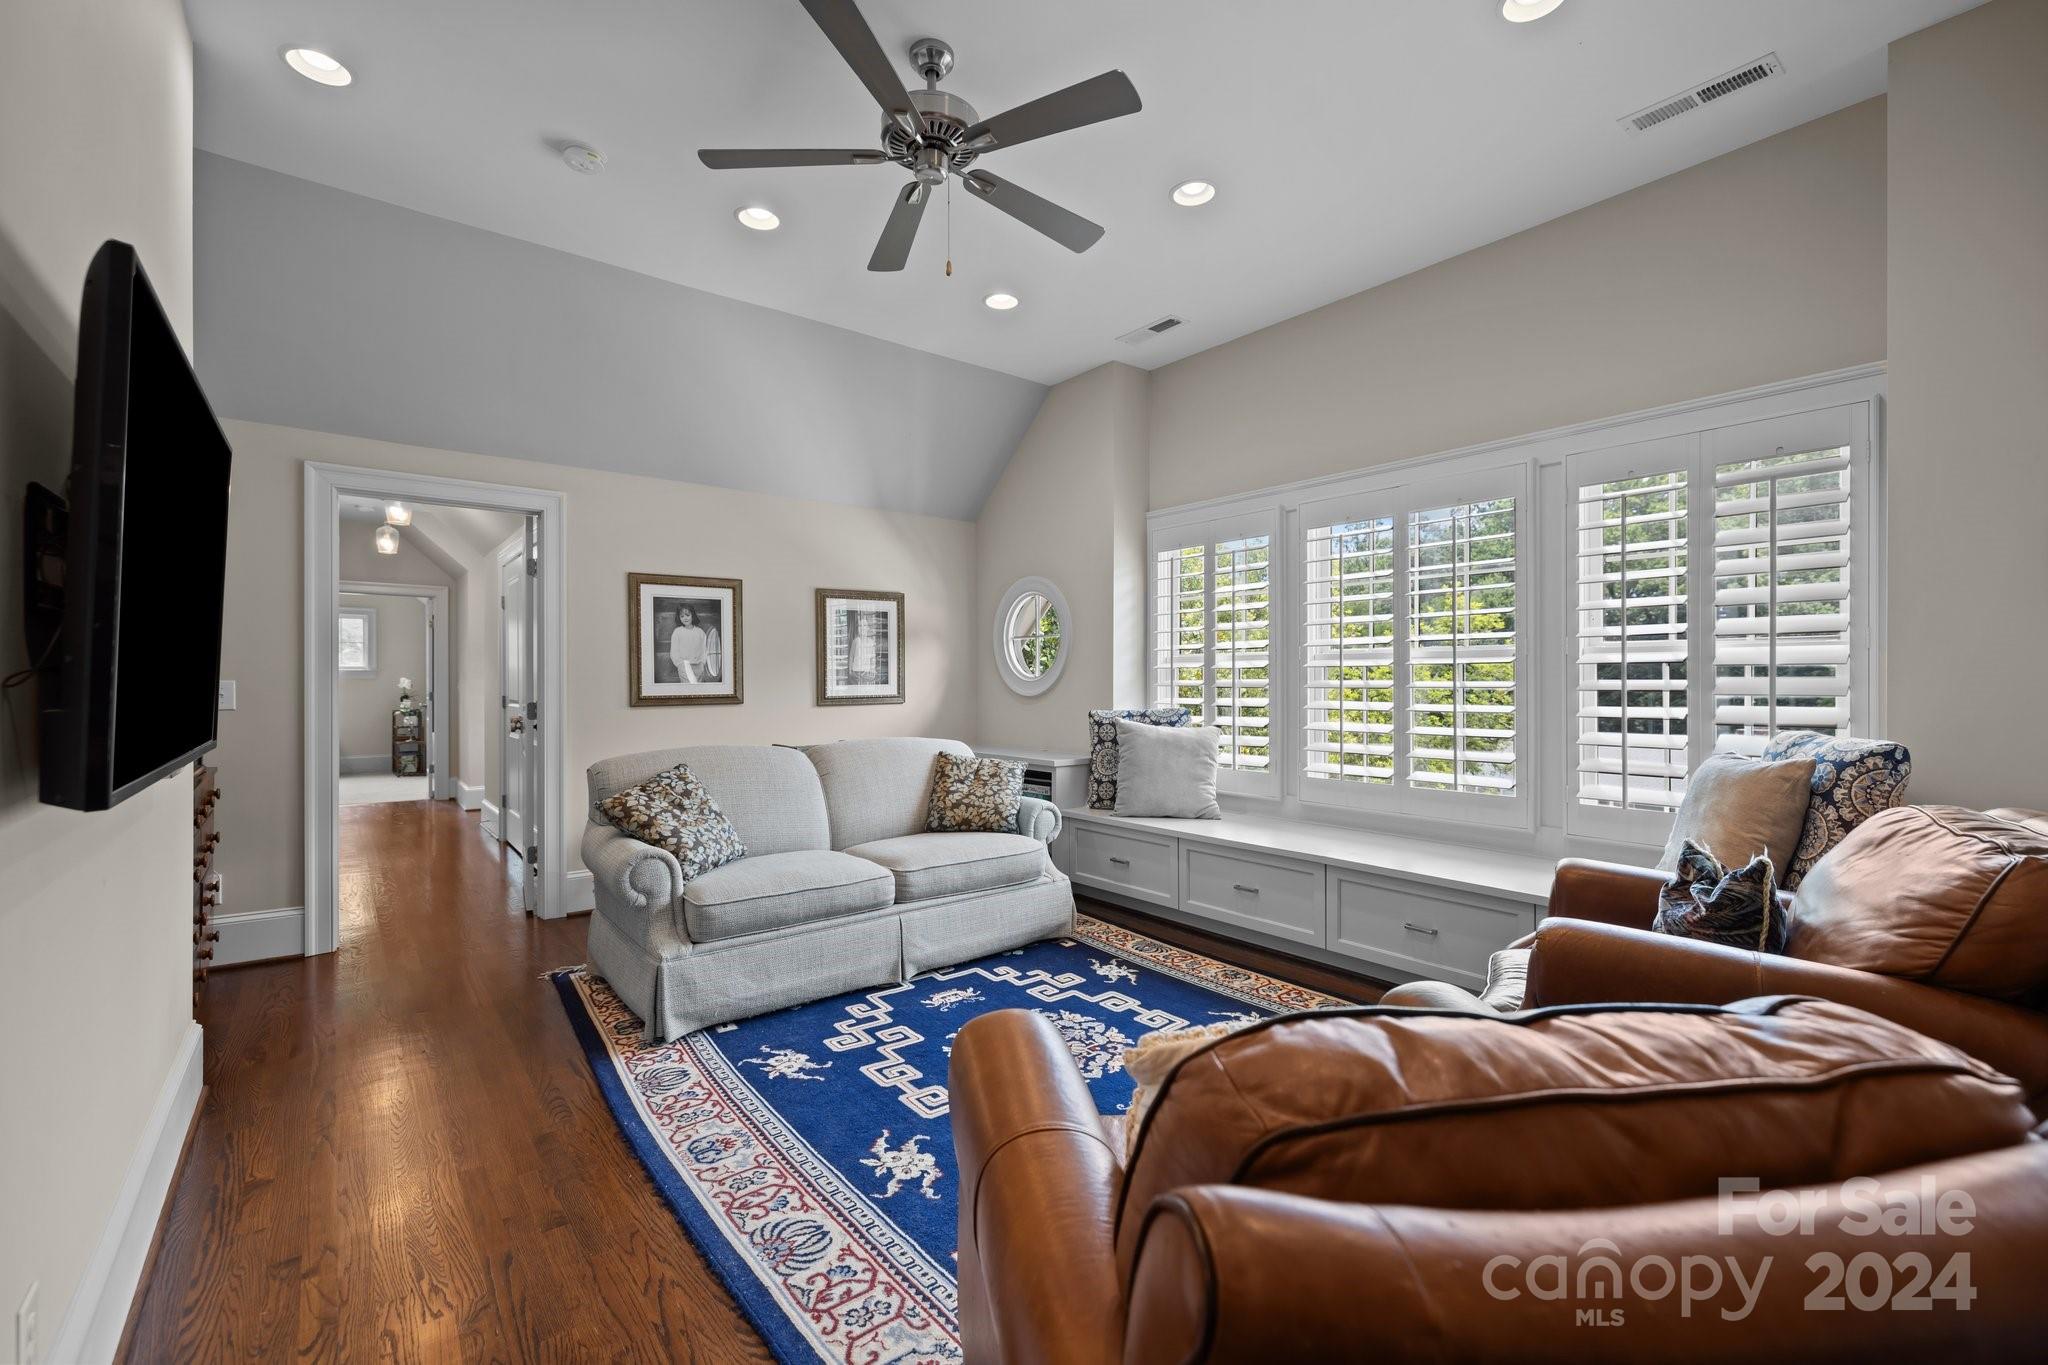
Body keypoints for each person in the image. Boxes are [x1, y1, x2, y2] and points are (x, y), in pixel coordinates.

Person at [668, 604, 719, 683]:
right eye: (682, 616)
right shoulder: (677, 632)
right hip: (684, 667)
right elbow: (674, 652)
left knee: (698, 688)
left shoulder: (700, 632)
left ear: (693, 615)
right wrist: (681, 664)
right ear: (679, 618)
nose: (685, 618)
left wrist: (702, 663)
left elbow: (704, 650)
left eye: (687, 615)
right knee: (688, 688)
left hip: (699, 667)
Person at [848, 613, 877, 684]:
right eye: (860, 626)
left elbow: (873, 658)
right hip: (856, 671)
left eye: (864, 625)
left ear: (868, 628)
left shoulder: (871, 642)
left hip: (867, 672)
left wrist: (872, 669)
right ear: (858, 629)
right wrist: (850, 670)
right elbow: (851, 656)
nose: (862, 628)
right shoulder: (856, 641)